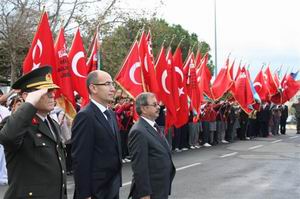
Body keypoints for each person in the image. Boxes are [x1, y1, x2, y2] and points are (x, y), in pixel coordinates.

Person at [0, 66, 67, 199]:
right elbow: (8, 138)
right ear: (26, 96)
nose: (52, 94)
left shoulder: (52, 123)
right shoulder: (15, 124)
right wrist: (29, 103)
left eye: (52, 90)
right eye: (45, 91)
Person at [72, 70, 122, 199]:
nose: (113, 89)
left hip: (112, 187)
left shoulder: (110, 114)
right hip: (95, 191)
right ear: (93, 88)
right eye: (107, 84)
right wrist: (85, 194)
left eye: (113, 84)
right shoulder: (85, 116)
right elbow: (81, 158)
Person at [128, 92, 176, 199]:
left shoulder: (153, 125)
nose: (158, 107)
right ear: (144, 109)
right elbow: (139, 167)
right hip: (151, 191)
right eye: (154, 105)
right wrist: (144, 194)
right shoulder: (138, 131)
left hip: (159, 188)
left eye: (157, 104)